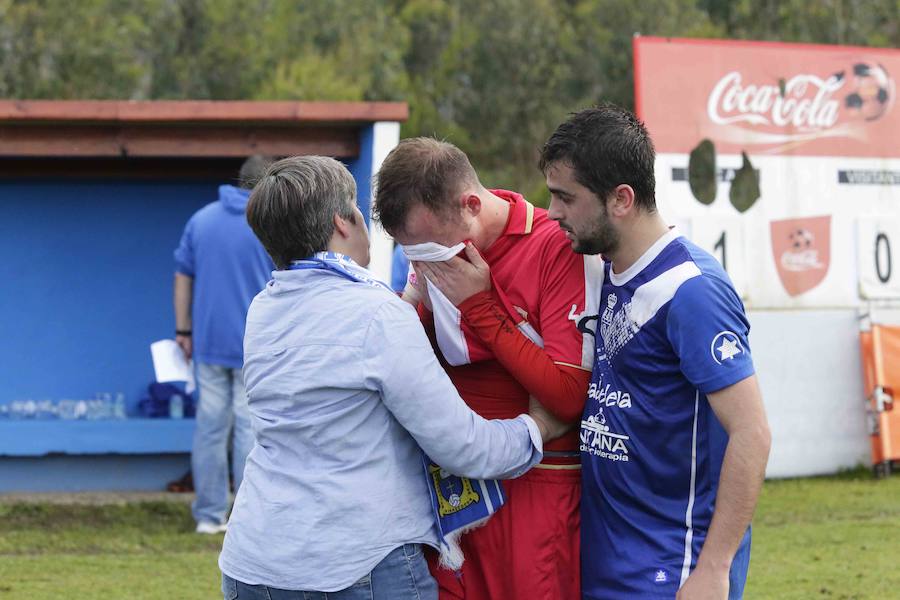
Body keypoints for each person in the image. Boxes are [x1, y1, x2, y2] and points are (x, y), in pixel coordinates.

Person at [218, 155, 568, 600]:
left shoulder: (264, 309)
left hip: (255, 559)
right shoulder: (377, 316)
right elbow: (464, 447)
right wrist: (535, 430)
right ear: (344, 223)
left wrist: (406, 305)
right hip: (355, 563)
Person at [539, 105, 772, 599]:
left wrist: (714, 569)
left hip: (672, 569)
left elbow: (752, 432)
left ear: (621, 199)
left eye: (566, 197)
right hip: (604, 561)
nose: (554, 212)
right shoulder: (600, 269)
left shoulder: (693, 290)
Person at [373, 137, 602, 600]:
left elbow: (566, 399)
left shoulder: (555, 245)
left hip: (537, 484)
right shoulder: (434, 245)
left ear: (472, 205)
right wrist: (409, 308)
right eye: (410, 254)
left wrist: (479, 306)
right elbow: (403, 363)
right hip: (453, 489)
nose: (425, 264)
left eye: (432, 251)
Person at [173, 155, 274, 534]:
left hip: (209, 345)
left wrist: (182, 331)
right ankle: (246, 518)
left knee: (209, 428)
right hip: (258, 345)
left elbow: (182, 276)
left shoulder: (201, 220)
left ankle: (208, 515)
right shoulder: (269, 224)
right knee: (249, 429)